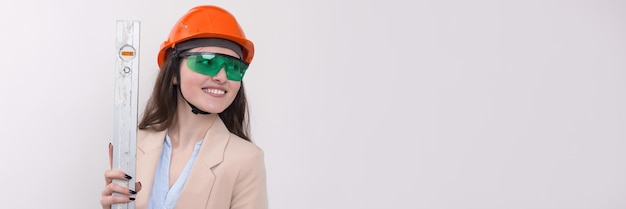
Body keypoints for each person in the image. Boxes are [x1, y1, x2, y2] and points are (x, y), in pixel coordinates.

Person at [100, 5, 267, 209]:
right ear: (173, 74)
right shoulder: (133, 145)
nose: (222, 77)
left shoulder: (246, 159)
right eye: (206, 62)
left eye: (234, 68)